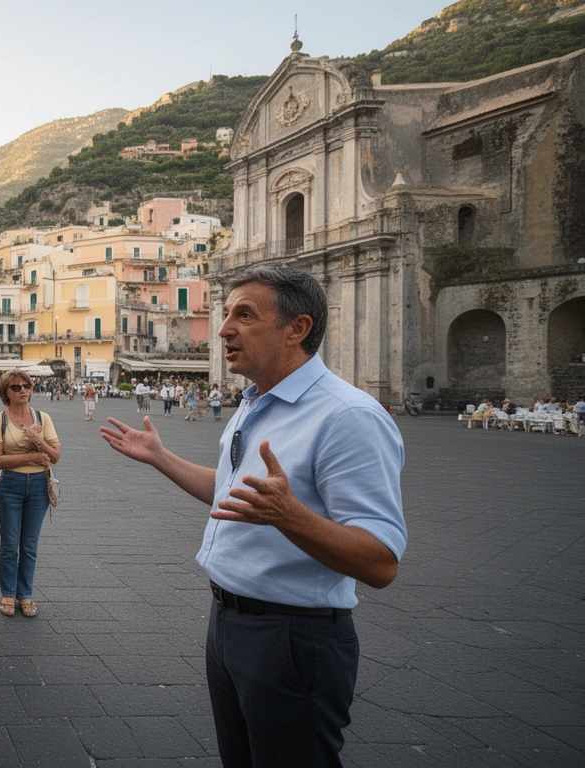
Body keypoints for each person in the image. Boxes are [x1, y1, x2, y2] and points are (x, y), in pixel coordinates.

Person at [99, 265, 407, 768]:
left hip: (293, 637)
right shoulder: (255, 402)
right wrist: (161, 457)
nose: (223, 329)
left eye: (244, 315)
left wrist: (290, 516)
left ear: (297, 329)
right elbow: (234, 495)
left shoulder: (348, 416)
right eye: (225, 315)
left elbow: (381, 562)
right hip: (228, 623)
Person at [0, 369, 60, 618]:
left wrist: (36, 440)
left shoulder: (42, 417)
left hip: (39, 485)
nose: (23, 390)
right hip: (10, 484)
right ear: (5, 392)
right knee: (10, 543)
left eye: (27, 386)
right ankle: (8, 593)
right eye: (16, 387)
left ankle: (25, 594)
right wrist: (33, 457)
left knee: (29, 545)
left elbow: (55, 456)